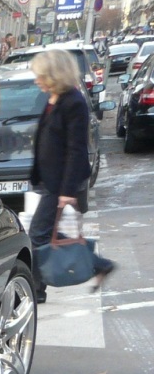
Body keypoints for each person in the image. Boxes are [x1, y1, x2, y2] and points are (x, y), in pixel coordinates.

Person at [27, 48, 117, 297]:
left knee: (38, 232)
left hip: (60, 181)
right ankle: (99, 264)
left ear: (55, 74)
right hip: (49, 178)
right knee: (43, 231)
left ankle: (38, 288)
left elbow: (76, 149)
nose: (37, 80)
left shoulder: (74, 102)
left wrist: (67, 190)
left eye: (40, 75)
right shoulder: (54, 97)